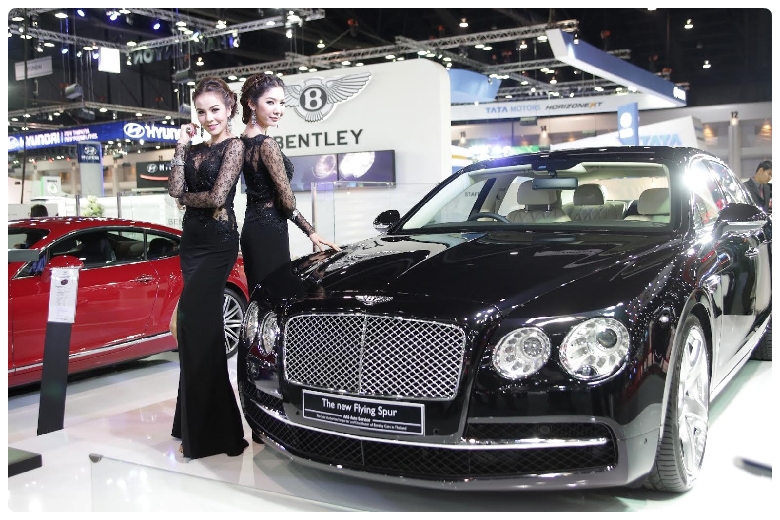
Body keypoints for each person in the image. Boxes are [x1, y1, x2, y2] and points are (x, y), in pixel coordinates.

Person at [167, 76, 248, 460]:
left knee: (199, 331)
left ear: (229, 108)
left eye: (215, 109)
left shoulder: (236, 146)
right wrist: (181, 146)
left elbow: (218, 197)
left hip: (218, 243)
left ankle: (213, 433)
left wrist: (186, 197)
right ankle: (192, 423)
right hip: (192, 244)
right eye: (201, 112)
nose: (208, 117)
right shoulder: (194, 149)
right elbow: (174, 188)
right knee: (193, 332)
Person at [238, 73, 340, 296]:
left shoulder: (240, 142)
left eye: (282, 103)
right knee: (279, 296)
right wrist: (310, 231)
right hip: (270, 230)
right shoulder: (266, 144)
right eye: (270, 102)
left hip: (253, 228)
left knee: (262, 296)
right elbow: (287, 201)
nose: (278, 110)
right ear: (252, 103)